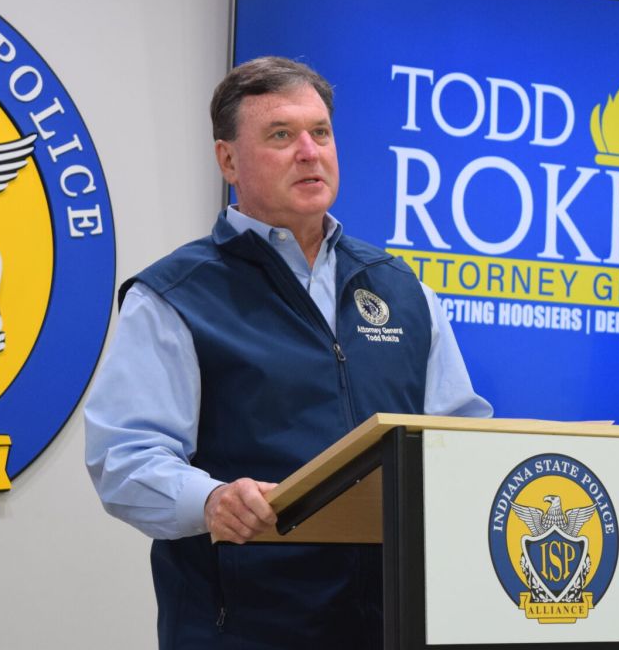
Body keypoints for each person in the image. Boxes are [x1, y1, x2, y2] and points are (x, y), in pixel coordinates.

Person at [85, 56, 491, 648]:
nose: (309, 151)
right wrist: (212, 500)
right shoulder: (175, 295)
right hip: (245, 627)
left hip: (393, 625)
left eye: (320, 132)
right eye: (281, 135)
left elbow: (459, 441)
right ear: (228, 160)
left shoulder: (404, 290)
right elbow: (124, 458)